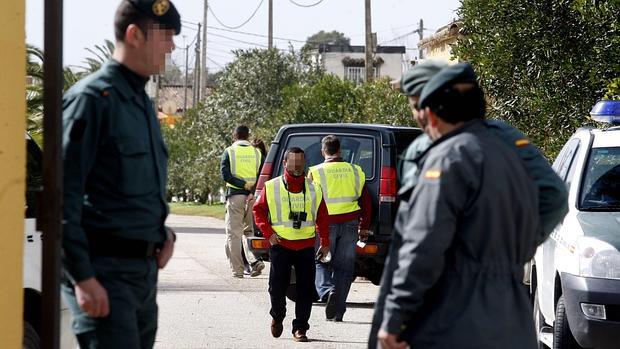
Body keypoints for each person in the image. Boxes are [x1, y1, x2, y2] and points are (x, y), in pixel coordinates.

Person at [369, 61, 569, 348]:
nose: (419, 117)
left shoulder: (446, 156)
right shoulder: (504, 149)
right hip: (509, 309)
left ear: (433, 112)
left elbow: (423, 243)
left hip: (453, 307)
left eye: (419, 106)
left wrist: (395, 317)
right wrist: (511, 250)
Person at [61, 1, 180, 347]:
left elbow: (128, 190)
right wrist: (82, 278)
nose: (172, 46)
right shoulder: (92, 100)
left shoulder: (140, 102)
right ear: (135, 35)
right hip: (104, 275)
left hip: (141, 277)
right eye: (166, 36)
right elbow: (61, 196)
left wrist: (163, 233)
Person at [253, 147, 331, 342]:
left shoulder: (315, 189)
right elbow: (258, 211)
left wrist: (326, 243)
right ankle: (277, 316)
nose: (297, 165)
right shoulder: (271, 187)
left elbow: (322, 218)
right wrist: (268, 233)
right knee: (276, 287)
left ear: (304, 163)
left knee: (306, 289)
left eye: (300, 161)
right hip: (281, 245)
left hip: (305, 246)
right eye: (293, 161)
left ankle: (300, 328)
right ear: (285, 163)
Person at [307, 135, 372, 321]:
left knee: (320, 262)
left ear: (323, 151)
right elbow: (366, 202)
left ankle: (327, 292)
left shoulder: (315, 172)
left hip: (325, 226)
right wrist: (364, 227)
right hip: (351, 225)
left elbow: (309, 202)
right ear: (340, 150)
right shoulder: (356, 170)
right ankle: (338, 312)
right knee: (344, 269)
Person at [220, 125, 265, 278]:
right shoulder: (257, 153)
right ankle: (254, 261)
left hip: (235, 196)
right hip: (252, 198)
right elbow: (261, 175)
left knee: (234, 234)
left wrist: (242, 185)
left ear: (234, 136)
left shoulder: (229, 151)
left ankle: (238, 270)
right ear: (248, 136)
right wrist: (252, 192)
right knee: (248, 232)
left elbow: (225, 175)